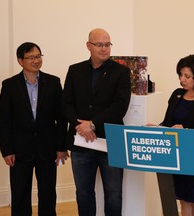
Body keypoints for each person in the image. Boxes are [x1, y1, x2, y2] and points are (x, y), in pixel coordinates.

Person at [62, 28, 131, 216]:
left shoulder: (121, 72)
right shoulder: (75, 70)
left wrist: (92, 124)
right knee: (83, 193)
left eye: (107, 44)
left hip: (111, 141)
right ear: (88, 46)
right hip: (81, 143)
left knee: (114, 194)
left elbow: (120, 107)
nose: (104, 49)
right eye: (99, 45)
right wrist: (81, 126)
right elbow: (66, 103)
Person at [0, 42, 68, 216]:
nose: (36, 60)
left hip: (48, 148)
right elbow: (3, 121)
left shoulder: (53, 82)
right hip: (19, 150)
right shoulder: (9, 85)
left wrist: (61, 147)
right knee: (20, 193)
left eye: (38, 56)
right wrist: (7, 150)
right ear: (20, 61)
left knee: (48, 193)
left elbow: (61, 118)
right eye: (31, 57)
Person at [149, 54, 194, 216]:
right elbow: (168, 123)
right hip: (178, 159)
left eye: (187, 76)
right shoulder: (176, 95)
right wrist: (156, 128)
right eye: (180, 75)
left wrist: (186, 131)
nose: (182, 79)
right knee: (184, 202)